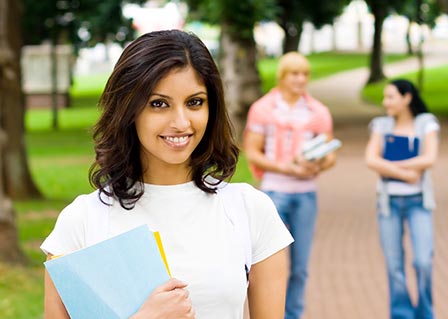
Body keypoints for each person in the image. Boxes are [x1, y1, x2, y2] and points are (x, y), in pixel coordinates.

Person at [41, 29, 294, 319]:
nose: (181, 122)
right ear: (129, 110)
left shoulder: (249, 210)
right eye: (159, 104)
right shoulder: (83, 221)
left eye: (195, 102)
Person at [244, 51, 336, 319]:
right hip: (274, 193)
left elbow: (330, 153)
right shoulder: (263, 109)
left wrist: (316, 166)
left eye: (305, 74)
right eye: (295, 74)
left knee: (300, 266)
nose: (300, 79)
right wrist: (286, 167)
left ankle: (294, 315)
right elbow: (253, 152)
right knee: (267, 263)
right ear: (282, 76)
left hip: (306, 194)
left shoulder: (318, 111)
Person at [365, 79, 440, 319]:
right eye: (384, 97)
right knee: (394, 265)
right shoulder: (381, 125)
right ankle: (401, 314)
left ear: (407, 98)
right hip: (389, 204)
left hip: (419, 203)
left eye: (390, 97)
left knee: (423, 261)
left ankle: (426, 313)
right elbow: (371, 159)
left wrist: (391, 166)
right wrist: (406, 174)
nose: (384, 102)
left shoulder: (426, 123)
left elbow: (429, 158)